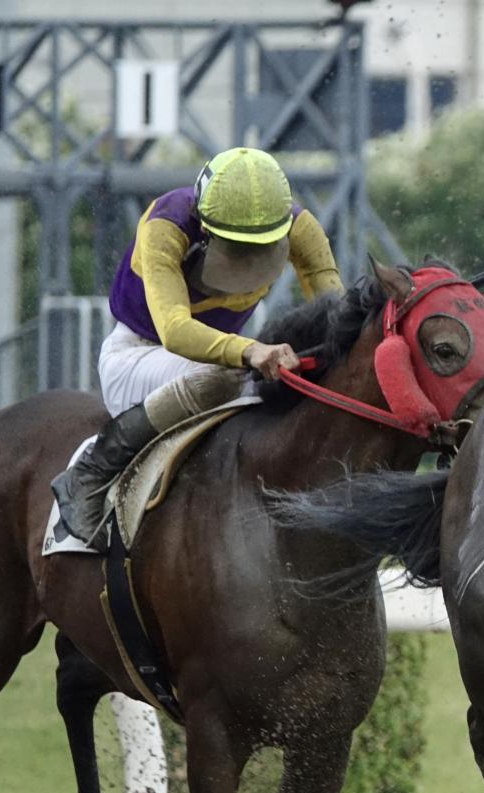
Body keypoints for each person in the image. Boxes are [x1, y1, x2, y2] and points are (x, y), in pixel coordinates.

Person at [51, 146, 343, 542]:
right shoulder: (165, 224)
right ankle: (92, 469)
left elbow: (337, 315)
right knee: (226, 375)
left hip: (220, 362)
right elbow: (175, 330)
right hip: (137, 356)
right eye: (237, 247)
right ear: (205, 228)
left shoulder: (300, 226)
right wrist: (250, 350)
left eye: (261, 247)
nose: (249, 259)